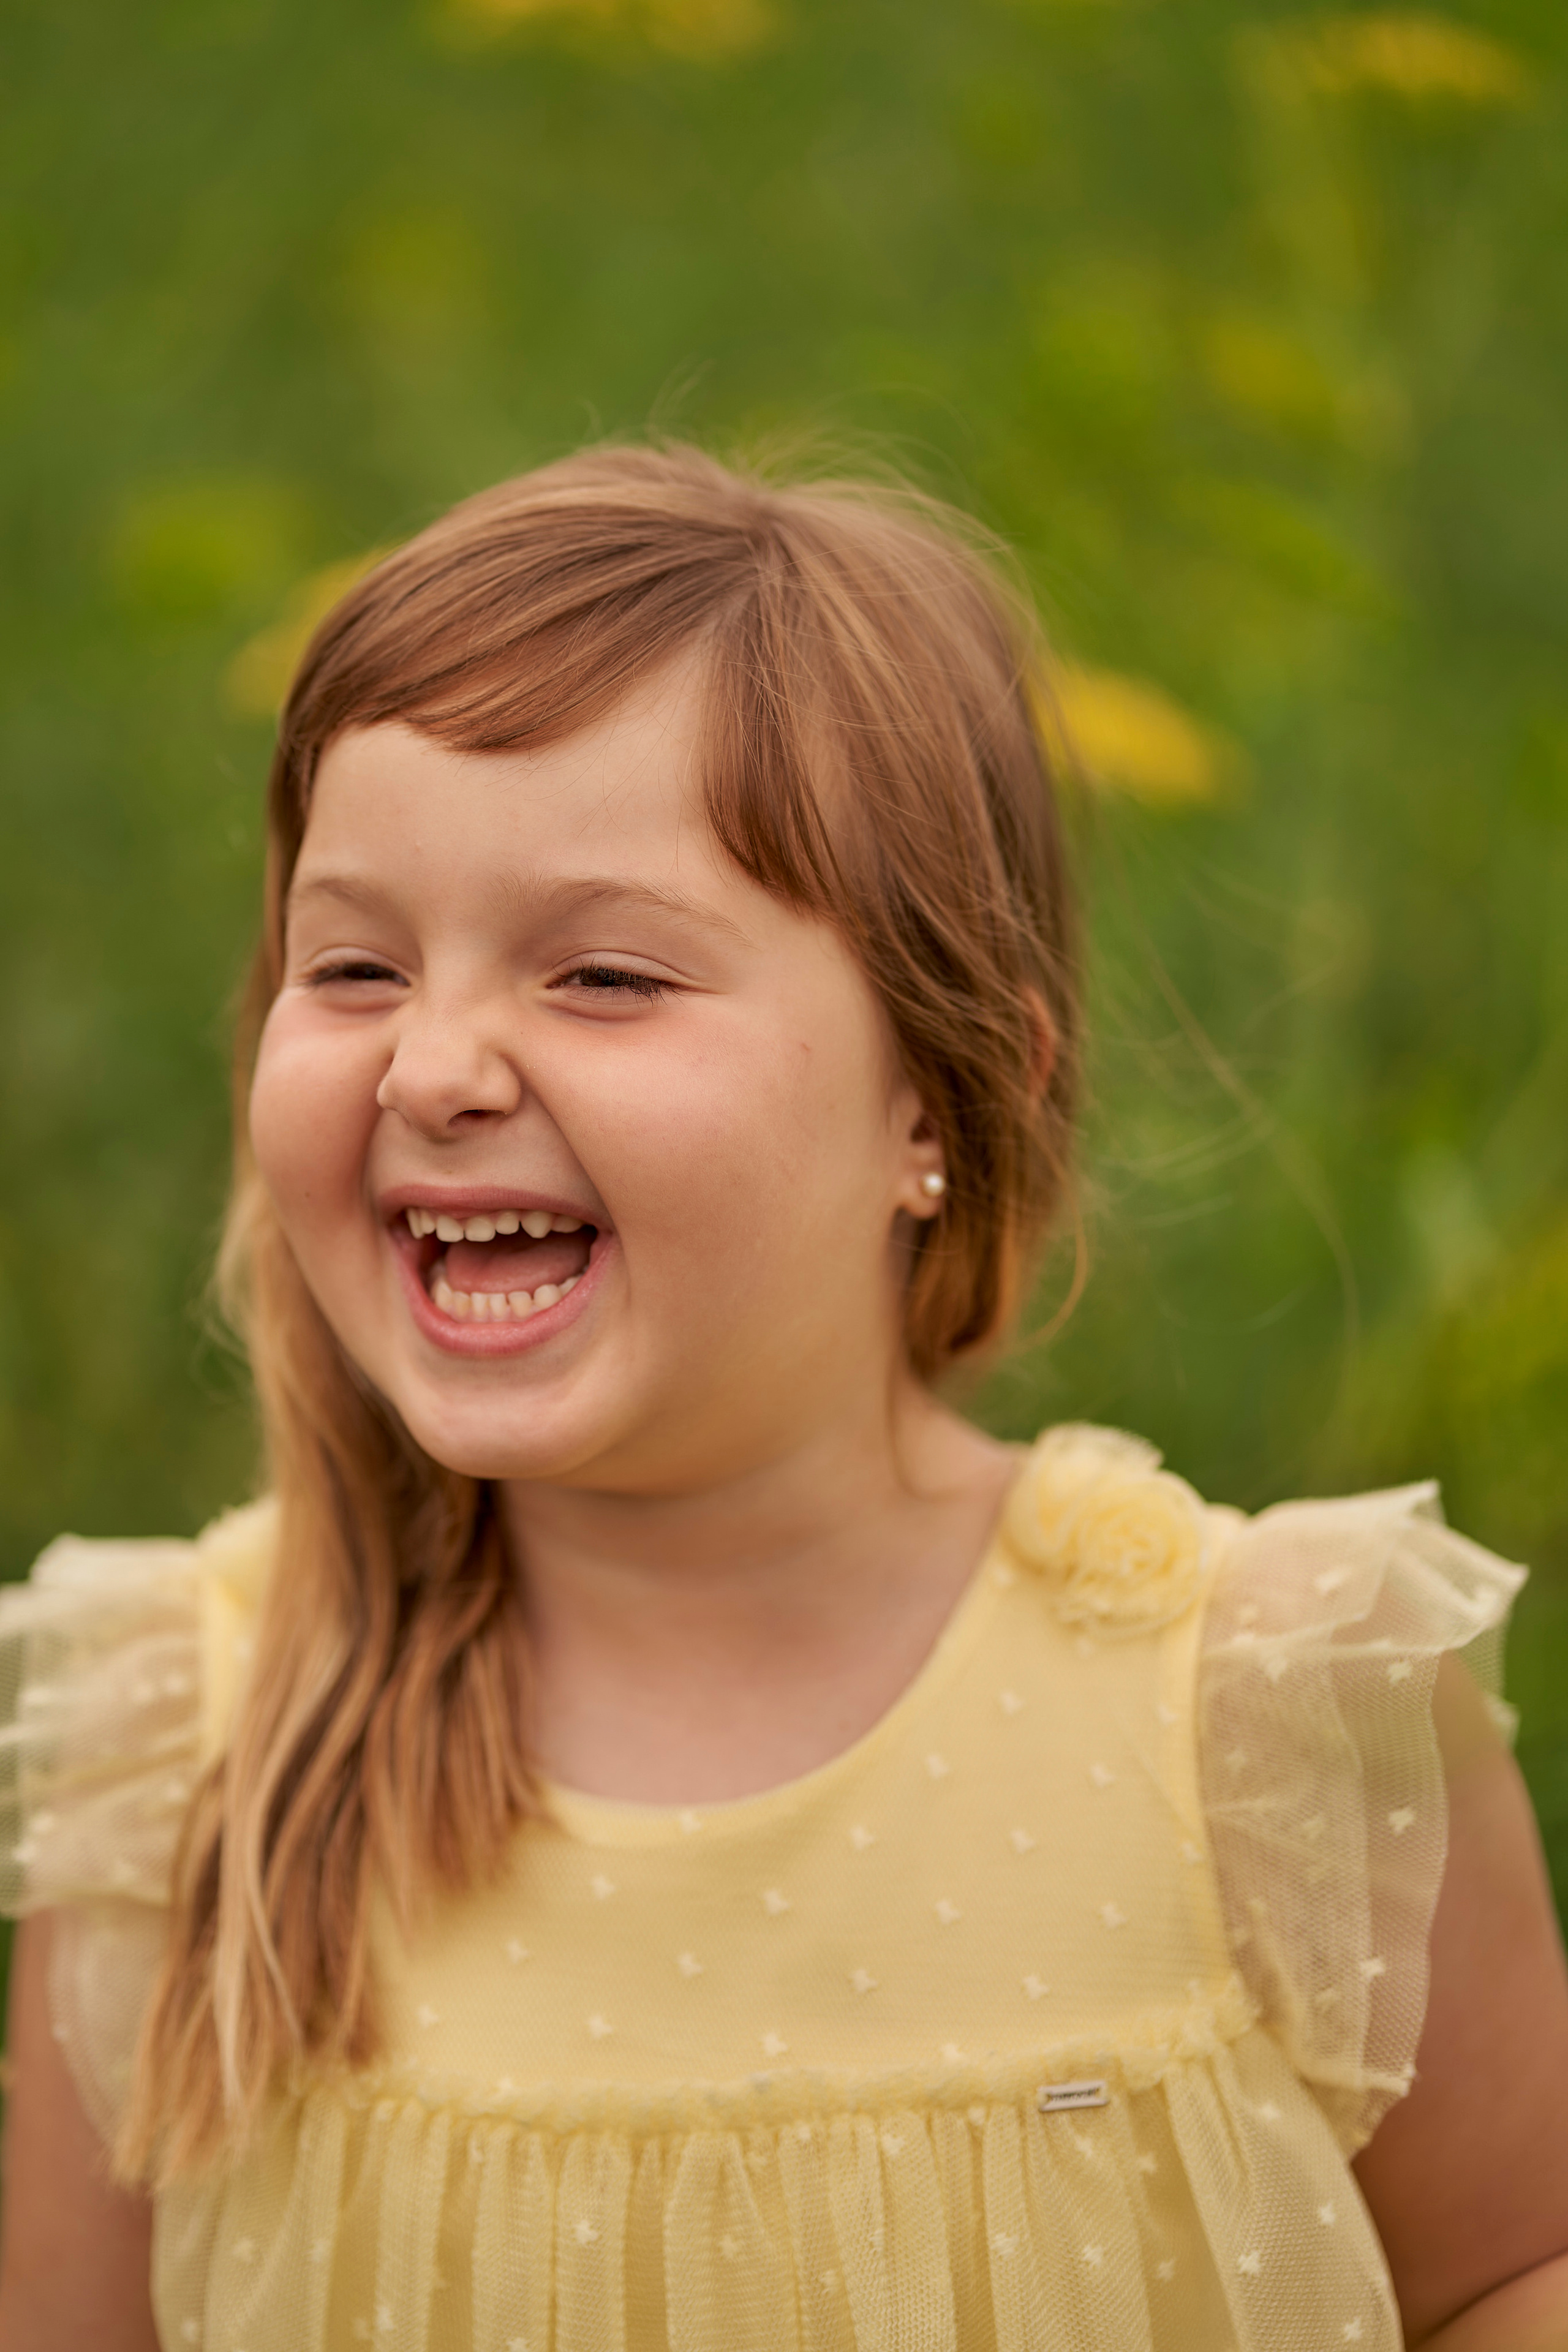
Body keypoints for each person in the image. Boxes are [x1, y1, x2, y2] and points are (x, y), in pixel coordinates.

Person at [1, 445, 1565, 2352]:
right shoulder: (184, 1759)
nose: (432, 1066)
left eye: (603, 975)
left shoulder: (1264, 1712)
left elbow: (1511, 2277)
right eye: (354, 966)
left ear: (939, 1095)